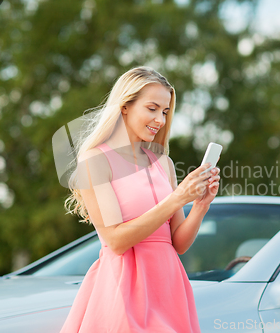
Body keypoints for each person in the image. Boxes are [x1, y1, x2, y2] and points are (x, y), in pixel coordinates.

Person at [60, 66, 220, 333]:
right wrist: (177, 198)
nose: (160, 119)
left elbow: (177, 243)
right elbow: (115, 240)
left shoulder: (164, 163)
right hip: (124, 288)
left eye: (165, 111)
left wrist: (200, 206)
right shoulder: (95, 160)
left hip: (169, 288)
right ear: (125, 107)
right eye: (152, 108)